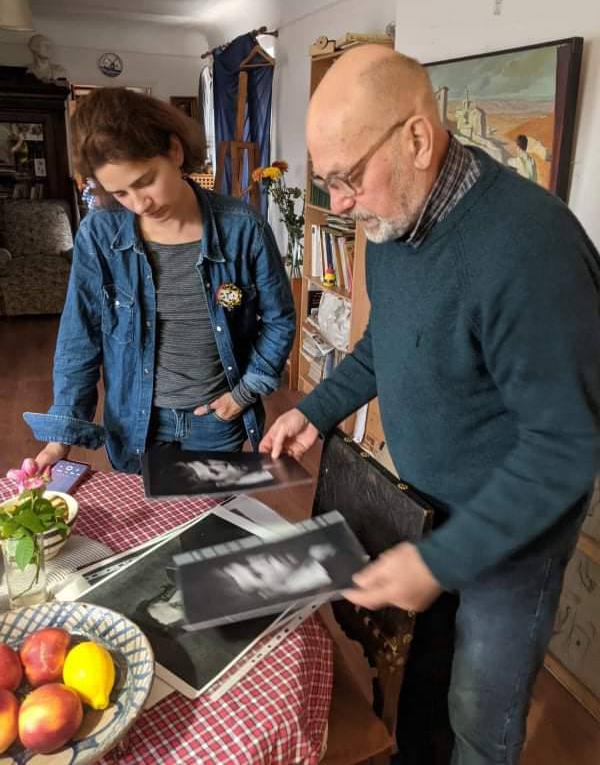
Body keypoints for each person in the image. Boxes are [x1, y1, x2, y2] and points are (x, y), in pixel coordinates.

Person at [260, 45, 600, 765]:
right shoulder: (393, 219)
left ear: (416, 137)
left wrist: (440, 561)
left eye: (348, 178)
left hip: (509, 536)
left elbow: (565, 448)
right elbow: (390, 341)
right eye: (329, 182)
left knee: (481, 713)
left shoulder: (531, 251)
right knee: (423, 682)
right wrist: (314, 409)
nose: (342, 204)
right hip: (427, 512)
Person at [26, 87, 295, 474]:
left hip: (217, 420)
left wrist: (245, 392)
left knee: (212, 528)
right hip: (134, 422)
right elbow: (79, 337)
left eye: (145, 180)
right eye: (120, 192)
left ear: (175, 151)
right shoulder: (99, 234)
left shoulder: (243, 228)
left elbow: (279, 319)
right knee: (145, 530)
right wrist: (60, 438)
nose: (139, 203)